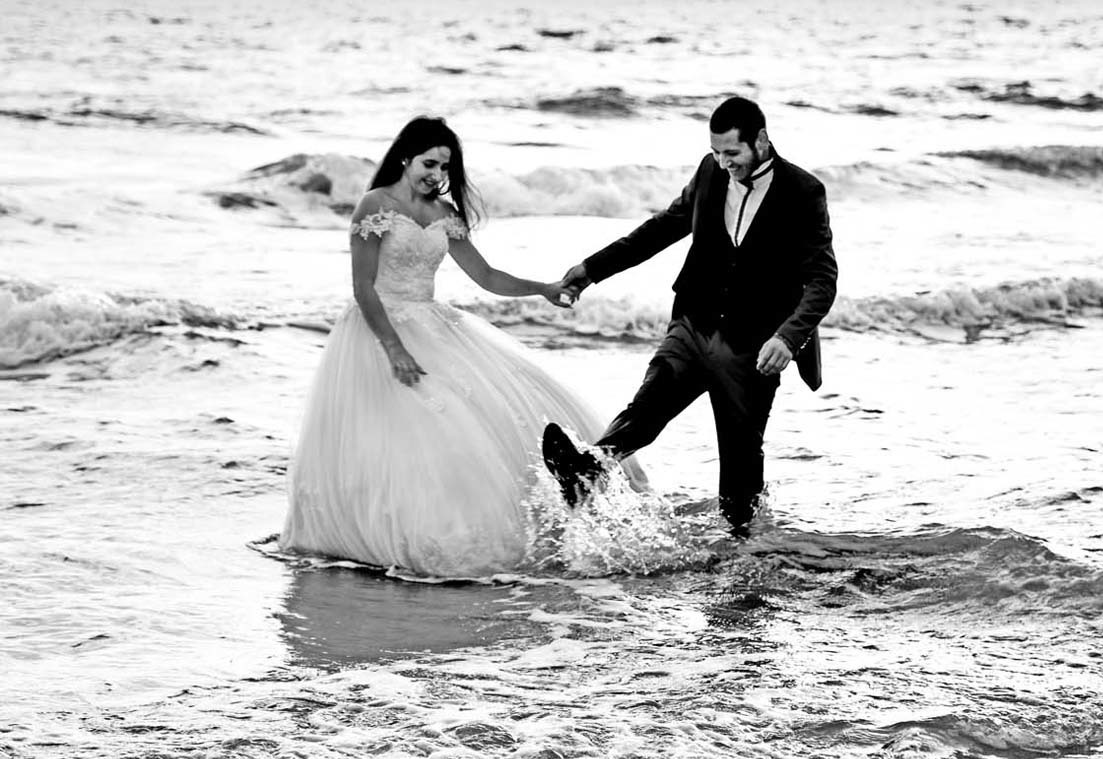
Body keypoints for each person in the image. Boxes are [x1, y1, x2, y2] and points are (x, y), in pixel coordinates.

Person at [281, 116, 646, 576]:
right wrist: (393, 348)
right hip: (378, 332)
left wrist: (544, 288)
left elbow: (487, 276)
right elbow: (364, 289)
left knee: (471, 427)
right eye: (429, 163)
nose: (436, 174)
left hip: (434, 324)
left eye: (445, 166)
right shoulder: (375, 205)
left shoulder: (446, 215)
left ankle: (469, 535)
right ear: (405, 158)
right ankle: (378, 539)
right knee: (391, 440)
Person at [542, 96, 836, 535]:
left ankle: (745, 549)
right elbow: (662, 228)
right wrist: (592, 270)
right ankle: (588, 472)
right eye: (716, 152)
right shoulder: (709, 172)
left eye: (732, 153)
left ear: (761, 140)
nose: (723, 162)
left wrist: (787, 336)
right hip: (694, 321)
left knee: (739, 459)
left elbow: (823, 278)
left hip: (752, 345)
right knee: (649, 403)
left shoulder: (802, 192)